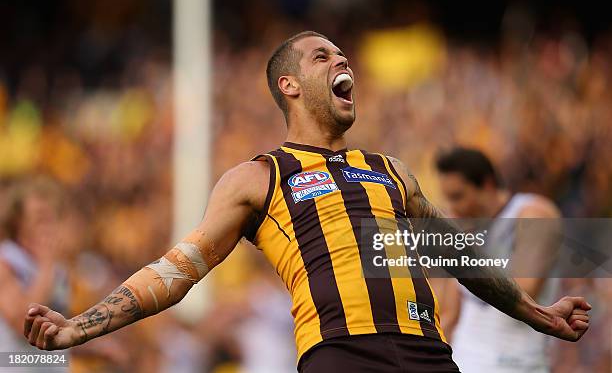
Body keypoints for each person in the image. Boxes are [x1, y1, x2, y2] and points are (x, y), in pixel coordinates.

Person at [24, 31, 590, 372]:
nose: (343, 62)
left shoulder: (390, 171)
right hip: (341, 355)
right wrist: (79, 326)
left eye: (344, 55)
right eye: (323, 57)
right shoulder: (258, 177)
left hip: (427, 354)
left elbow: (464, 260)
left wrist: (540, 315)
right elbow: (176, 271)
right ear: (288, 86)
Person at [432, 147, 562, 372]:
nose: (453, 208)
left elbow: (526, 288)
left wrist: (465, 249)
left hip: (516, 364)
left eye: (458, 196)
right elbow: (451, 312)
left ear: (488, 184)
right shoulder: (467, 227)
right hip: (463, 360)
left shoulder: (533, 213)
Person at [0, 177, 71, 372]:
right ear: (18, 222)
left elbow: (57, 333)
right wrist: (46, 265)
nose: (48, 225)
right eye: (40, 216)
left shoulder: (58, 268)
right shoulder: (6, 261)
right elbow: (22, 324)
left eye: (52, 216)